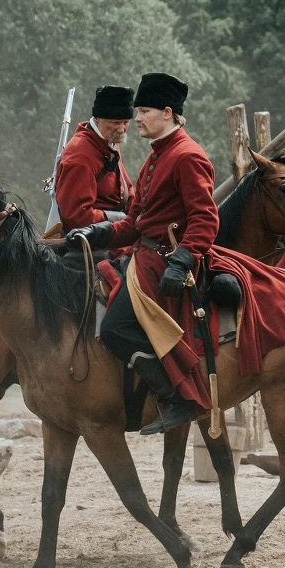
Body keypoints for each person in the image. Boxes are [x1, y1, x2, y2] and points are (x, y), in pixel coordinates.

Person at [66, 73, 218, 435]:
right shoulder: (155, 157)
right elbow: (136, 222)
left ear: (167, 113)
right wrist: (99, 231)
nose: (136, 119)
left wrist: (183, 259)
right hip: (143, 258)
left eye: (144, 111)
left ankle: (175, 399)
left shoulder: (187, 155)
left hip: (165, 262)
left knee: (115, 329)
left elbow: (205, 218)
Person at [53, 86, 135, 233]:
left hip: (116, 232)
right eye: (116, 123)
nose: (122, 129)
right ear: (97, 119)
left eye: (126, 122)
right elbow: (76, 218)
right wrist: (121, 220)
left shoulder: (109, 140)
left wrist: (141, 215)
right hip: (94, 240)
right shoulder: (79, 156)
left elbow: (126, 192)